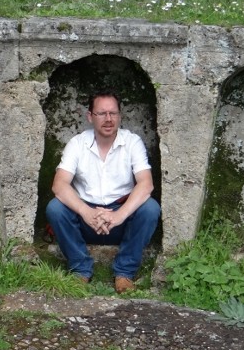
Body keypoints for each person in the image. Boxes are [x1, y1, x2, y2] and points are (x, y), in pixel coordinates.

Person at [46, 89, 161, 293]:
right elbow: (59, 185)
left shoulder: (132, 142)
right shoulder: (77, 143)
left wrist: (118, 215)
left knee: (150, 208)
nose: (108, 119)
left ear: (119, 115)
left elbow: (146, 184)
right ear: (90, 116)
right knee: (55, 208)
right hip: (86, 221)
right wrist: (86, 212)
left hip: (121, 221)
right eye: (101, 113)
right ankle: (80, 270)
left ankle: (124, 272)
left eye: (113, 113)